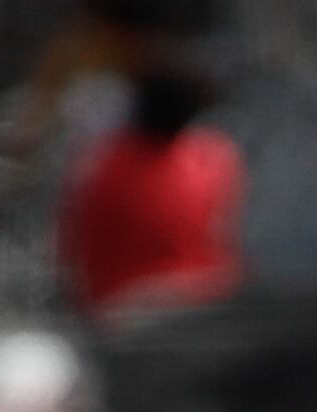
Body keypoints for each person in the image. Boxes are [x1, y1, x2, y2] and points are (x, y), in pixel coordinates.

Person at [59, 59, 244, 324]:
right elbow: (225, 243)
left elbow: (70, 252)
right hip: (198, 303)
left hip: (116, 309)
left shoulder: (98, 164)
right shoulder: (214, 159)